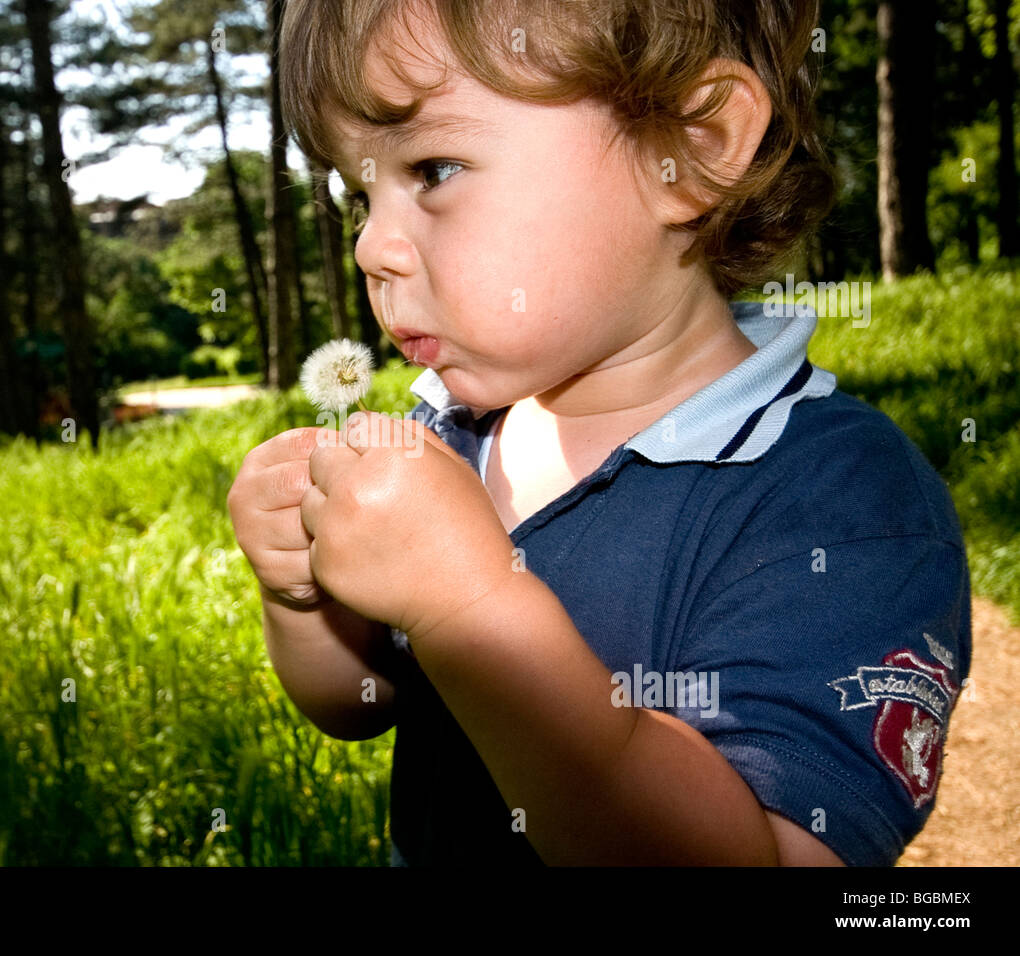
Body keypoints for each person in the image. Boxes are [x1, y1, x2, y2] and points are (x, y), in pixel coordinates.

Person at [226, 0, 970, 866]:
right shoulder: (441, 434)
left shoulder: (843, 503)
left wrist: (470, 607)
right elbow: (360, 704)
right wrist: (300, 596)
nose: (372, 247)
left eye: (432, 169)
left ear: (692, 149)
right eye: (358, 194)